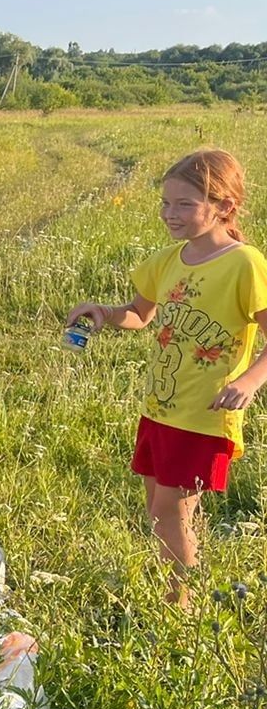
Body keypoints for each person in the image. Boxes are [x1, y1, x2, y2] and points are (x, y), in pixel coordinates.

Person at [68, 149, 267, 605]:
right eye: (165, 203)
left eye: (184, 205)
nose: (169, 214)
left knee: (169, 514)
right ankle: (174, 593)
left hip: (206, 414)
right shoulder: (168, 258)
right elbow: (140, 314)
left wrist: (250, 382)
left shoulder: (245, 264)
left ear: (224, 207)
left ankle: (181, 607)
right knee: (159, 511)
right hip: (160, 408)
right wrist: (103, 314)